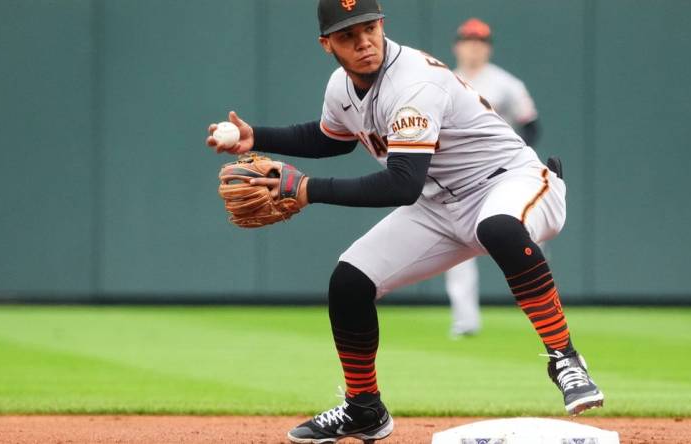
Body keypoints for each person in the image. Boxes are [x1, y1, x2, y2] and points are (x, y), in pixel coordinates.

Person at [206, 1, 603, 442]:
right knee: (350, 281)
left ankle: (564, 358)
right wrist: (255, 136)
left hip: (511, 181)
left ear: (381, 25)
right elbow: (330, 138)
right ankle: (364, 408)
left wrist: (308, 190)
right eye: (347, 36)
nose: (363, 42)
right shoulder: (341, 85)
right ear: (327, 44)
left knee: (497, 228)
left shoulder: (413, 81)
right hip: (439, 205)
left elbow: (401, 185)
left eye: (369, 28)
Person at [446, 17, 543, 339]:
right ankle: (465, 321)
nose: (474, 48)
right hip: (460, 179)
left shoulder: (506, 84)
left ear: (488, 48)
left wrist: (515, 154)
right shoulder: (443, 80)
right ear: (457, 46)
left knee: (526, 238)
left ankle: (543, 309)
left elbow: (530, 124)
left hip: (504, 174)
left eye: (481, 42)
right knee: (456, 247)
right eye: (469, 41)